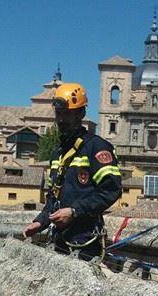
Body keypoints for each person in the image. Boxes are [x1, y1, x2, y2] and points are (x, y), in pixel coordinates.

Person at [23, 82, 122, 260]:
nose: (61, 120)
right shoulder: (58, 153)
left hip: (86, 242)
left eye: (67, 114)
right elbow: (54, 198)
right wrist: (40, 222)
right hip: (60, 241)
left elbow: (111, 190)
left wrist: (74, 211)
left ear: (81, 114)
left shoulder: (96, 147)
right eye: (58, 114)